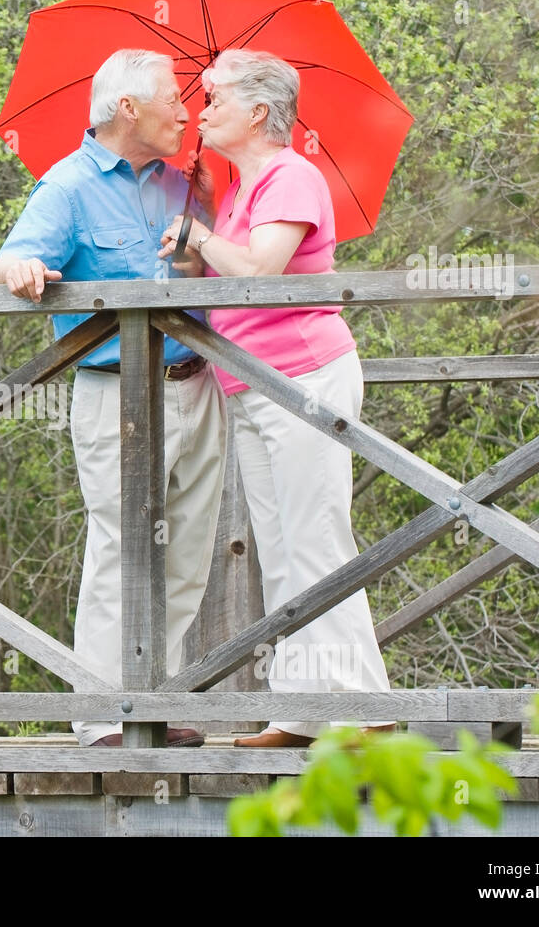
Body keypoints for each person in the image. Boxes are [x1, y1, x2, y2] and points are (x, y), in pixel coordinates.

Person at [0, 49, 228, 748]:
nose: (186, 111)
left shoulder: (185, 184)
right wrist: (26, 268)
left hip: (197, 384)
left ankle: (161, 701)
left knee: (187, 551)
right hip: (116, 396)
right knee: (121, 552)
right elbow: (6, 260)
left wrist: (205, 221)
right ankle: (102, 716)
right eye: (175, 99)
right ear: (128, 107)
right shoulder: (66, 185)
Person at [158, 48, 395, 747]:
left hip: (305, 379)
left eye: (215, 97)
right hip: (253, 387)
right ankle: (301, 710)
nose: (202, 109)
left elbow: (261, 270)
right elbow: (209, 282)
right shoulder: (238, 190)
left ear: (258, 110)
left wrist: (202, 233)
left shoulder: (292, 175)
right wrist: (197, 213)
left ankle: (363, 711)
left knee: (317, 539)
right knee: (282, 549)